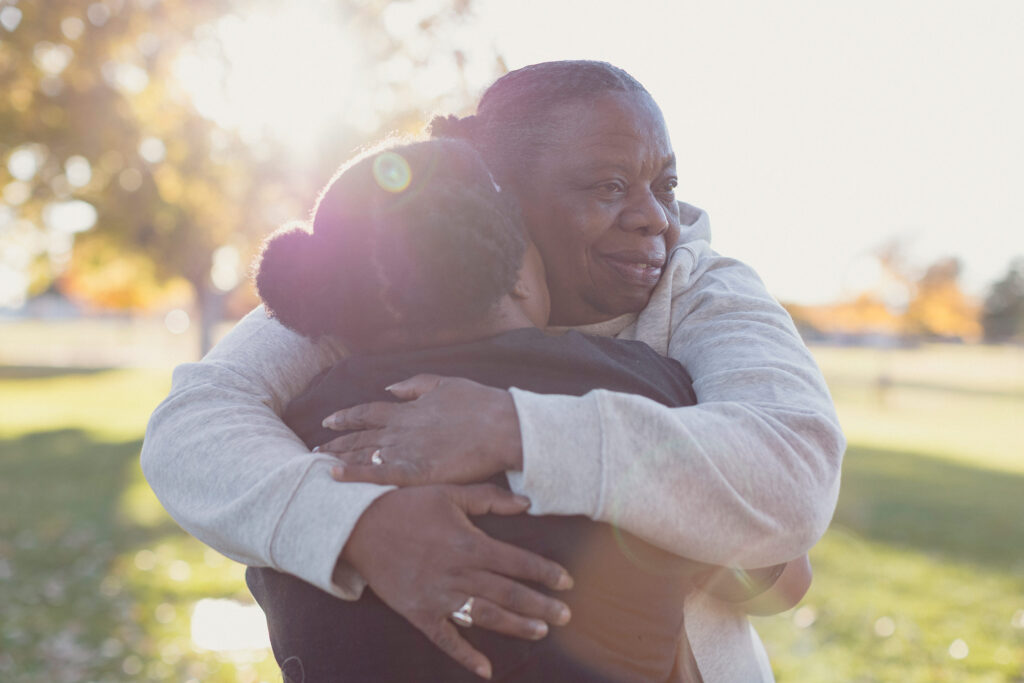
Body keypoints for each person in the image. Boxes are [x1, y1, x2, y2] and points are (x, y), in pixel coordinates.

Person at [141, 60, 843, 682]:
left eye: (665, 183)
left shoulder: (702, 289)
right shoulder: (388, 277)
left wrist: (514, 428)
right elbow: (194, 423)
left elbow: (794, 474)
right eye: (608, 186)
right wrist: (360, 525)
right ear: (503, 197)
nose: (654, 219)